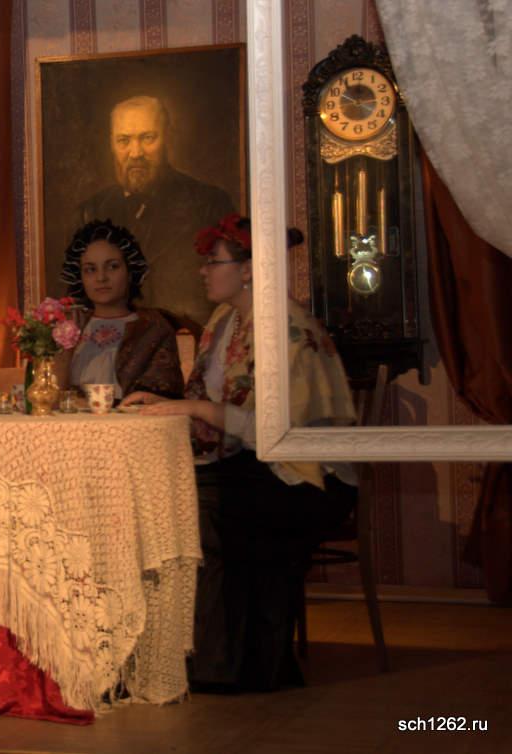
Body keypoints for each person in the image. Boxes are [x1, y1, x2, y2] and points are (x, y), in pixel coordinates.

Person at [123, 214, 357, 692]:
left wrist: (192, 408)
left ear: (248, 269)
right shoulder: (225, 321)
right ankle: (175, 654)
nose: (203, 271)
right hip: (254, 465)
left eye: (214, 262)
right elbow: (222, 411)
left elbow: (275, 433)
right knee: (172, 494)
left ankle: (230, 665)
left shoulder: (285, 329)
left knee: (211, 506)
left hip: (304, 475)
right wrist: (167, 403)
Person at [74, 95, 235, 327]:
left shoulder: (209, 203)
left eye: (147, 138)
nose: (135, 152)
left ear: (168, 138)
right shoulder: (90, 212)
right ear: (111, 145)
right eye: (123, 140)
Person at [57, 219, 184, 401]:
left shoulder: (153, 329)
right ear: (80, 277)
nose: (101, 278)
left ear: (130, 271)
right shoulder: (69, 327)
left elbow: (166, 401)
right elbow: (46, 396)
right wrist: (66, 348)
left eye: (112, 266)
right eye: (90, 269)